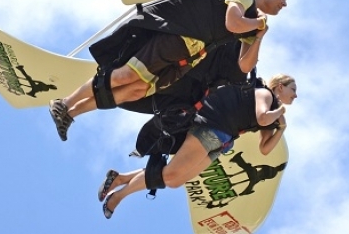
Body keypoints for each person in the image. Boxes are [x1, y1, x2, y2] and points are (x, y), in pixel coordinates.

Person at [49, 0, 288, 141]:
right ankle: (64, 103)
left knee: (136, 90)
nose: (284, 3)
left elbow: (244, 65)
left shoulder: (253, 25)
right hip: (180, 38)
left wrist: (258, 37)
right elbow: (232, 23)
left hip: (188, 59)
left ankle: (70, 114)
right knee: (126, 75)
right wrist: (258, 23)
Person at [97, 73, 298, 219]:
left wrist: (281, 129)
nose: (295, 95)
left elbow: (265, 148)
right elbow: (262, 117)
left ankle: (120, 178)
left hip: (221, 143)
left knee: (174, 180)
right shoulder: (265, 94)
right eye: (293, 89)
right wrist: (280, 111)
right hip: (212, 128)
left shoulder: (273, 114)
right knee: (171, 174)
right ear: (280, 86)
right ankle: (119, 196)